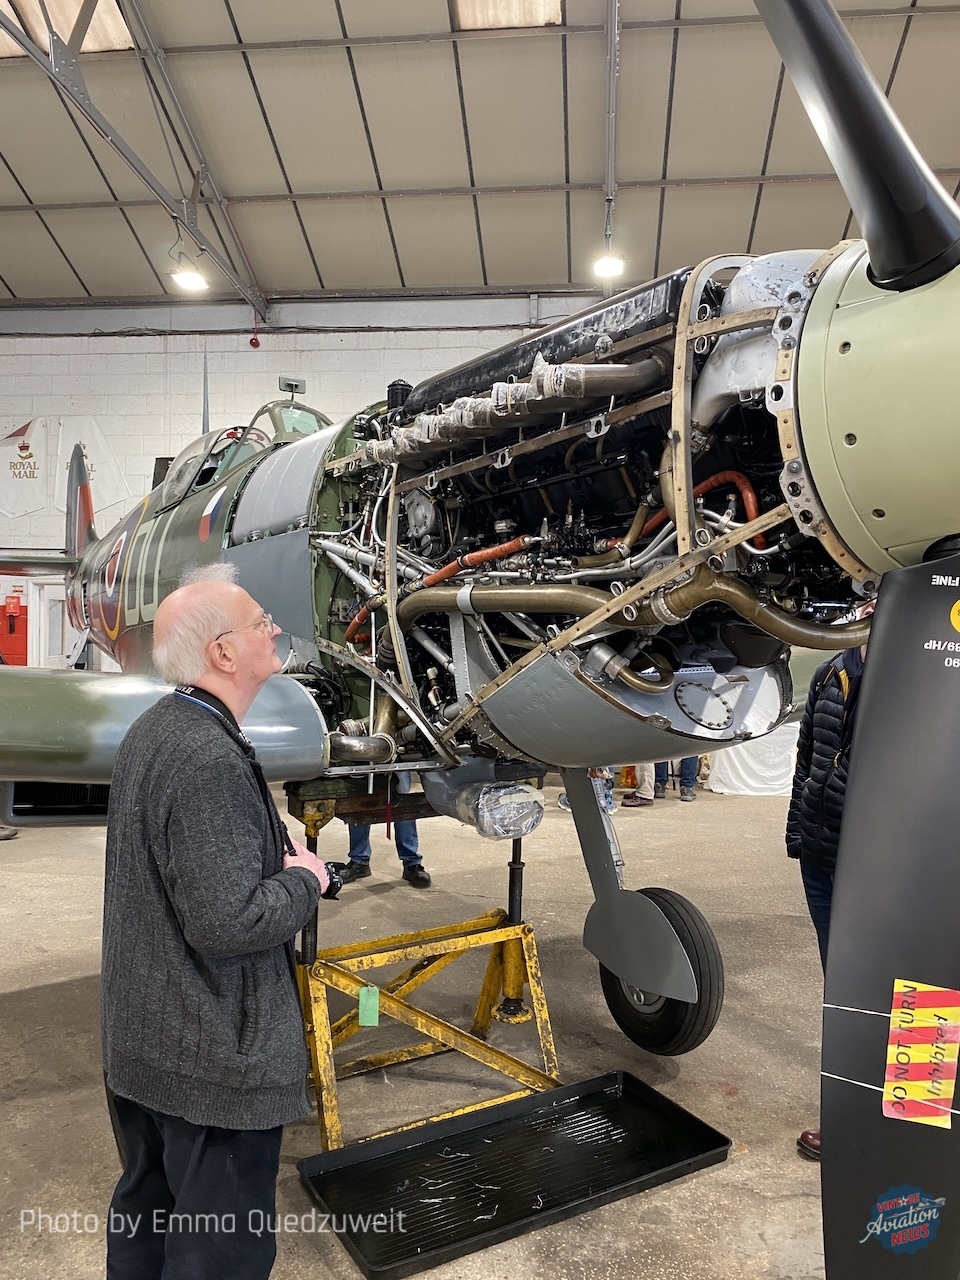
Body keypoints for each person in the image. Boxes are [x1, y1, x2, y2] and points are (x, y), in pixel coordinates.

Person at [101, 564, 330, 1280]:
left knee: (147, 1223)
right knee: (218, 1255)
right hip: (210, 1066)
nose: (274, 630)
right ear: (223, 653)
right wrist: (305, 879)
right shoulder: (206, 756)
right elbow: (227, 923)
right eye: (261, 621)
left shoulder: (158, 729)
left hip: (148, 1046)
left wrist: (261, 839)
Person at [786, 598, 875, 1162]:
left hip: (887, 869)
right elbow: (806, 760)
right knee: (844, 993)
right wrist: (798, 832)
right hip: (823, 856)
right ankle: (851, 1117)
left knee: (904, 991)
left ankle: (911, 1124)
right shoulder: (833, 670)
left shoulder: (934, 673)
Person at [339, 771, 431, 887]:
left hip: (397, 760)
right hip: (363, 761)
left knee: (404, 808)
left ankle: (411, 864)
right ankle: (359, 862)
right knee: (359, 806)